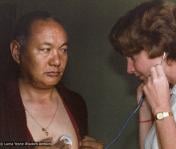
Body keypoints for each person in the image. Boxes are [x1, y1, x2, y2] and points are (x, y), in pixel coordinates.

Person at [109, 0, 176, 149]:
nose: (129, 69)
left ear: (159, 47)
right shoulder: (173, 92)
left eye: (133, 58)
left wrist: (161, 109)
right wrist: (146, 112)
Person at [0, 11, 103, 149]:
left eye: (63, 50)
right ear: (17, 52)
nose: (57, 61)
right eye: (45, 49)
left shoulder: (76, 103)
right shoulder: (4, 105)